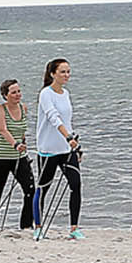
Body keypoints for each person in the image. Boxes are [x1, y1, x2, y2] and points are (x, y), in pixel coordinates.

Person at [34, 57, 84, 239]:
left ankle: (74, 228)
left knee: (76, 184)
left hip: (66, 149)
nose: (66, 75)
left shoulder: (66, 93)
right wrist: (67, 136)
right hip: (48, 149)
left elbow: (67, 121)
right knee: (43, 187)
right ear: (52, 74)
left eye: (68, 71)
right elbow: (53, 117)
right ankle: (38, 227)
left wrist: (74, 143)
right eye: (62, 72)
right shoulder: (45, 94)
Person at [0, 79, 38, 230]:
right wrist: (15, 144)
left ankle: (26, 225)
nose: (17, 95)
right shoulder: (0, 109)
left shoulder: (23, 108)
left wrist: (23, 143)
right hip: (0, 158)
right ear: (5, 95)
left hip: (19, 157)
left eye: (19, 91)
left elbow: (22, 130)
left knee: (30, 189)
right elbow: (3, 130)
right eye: (13, 92)